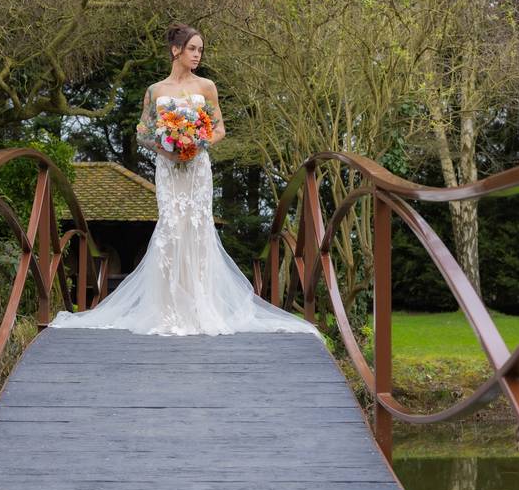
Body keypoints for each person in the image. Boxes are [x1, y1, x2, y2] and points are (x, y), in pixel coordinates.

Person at [49, 23, 319, 337]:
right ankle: (167, 309)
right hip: (167, 167)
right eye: (192, 49)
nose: (197, 55)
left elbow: (219, 129)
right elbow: (143, 132)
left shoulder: (207, 86)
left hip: (197, 169)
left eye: (200, 50)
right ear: (176, 50)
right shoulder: (155, 91)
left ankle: (199, 307)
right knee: (171, 228)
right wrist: (166, 145)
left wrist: (195, 144)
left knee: (197, 229)